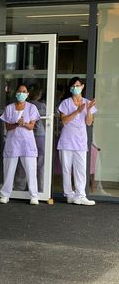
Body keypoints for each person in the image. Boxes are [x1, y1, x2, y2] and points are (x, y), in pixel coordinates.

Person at [57, 76, 96, 205]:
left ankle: (81, 195)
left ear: (82, 86)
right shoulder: (65, 103)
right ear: (70, 88)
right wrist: (77, 111)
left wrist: (88, 110)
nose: (75, 88)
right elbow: (64, 121)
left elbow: (89, 122)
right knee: (66, 169)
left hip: (80, 141)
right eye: (73, 86)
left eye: (78, 85)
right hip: (66, 140)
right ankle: (69, 194)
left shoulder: (87, 102)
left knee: (80, 168)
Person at [0, 83, 40, 205]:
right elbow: (7, 126)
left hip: (27, 143)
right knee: (9, 169)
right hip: (12, 143)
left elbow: (32, 126)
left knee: (31, 170)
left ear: (27, 94)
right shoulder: (10, 108)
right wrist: (17, 124)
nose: (21, 94)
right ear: (16, 93)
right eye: (19, 91)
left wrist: (23, 124)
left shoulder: (32, 108)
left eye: (24, 91)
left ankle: (34, 196)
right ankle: (5, 194)